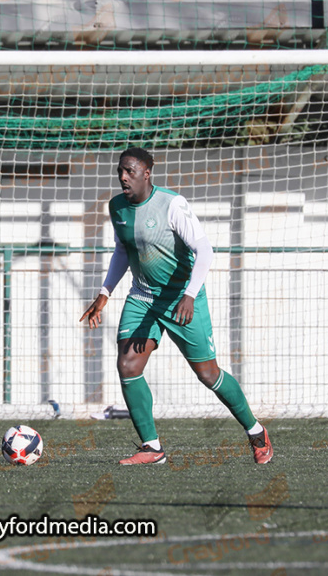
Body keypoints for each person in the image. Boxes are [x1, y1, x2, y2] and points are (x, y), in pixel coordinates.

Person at [80, 147, 272, 465]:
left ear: (146, 173)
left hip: (182, 299)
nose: (123, 177)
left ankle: (256, 432)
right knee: (128, 366)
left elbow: (204, 250)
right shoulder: (117, 207)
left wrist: (190, 294)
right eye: (120, 171)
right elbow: (123, 252)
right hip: (143, 298)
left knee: (208, 374)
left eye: (129, 171)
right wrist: (105, 293)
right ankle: (151, 448)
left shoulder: (172, 205)